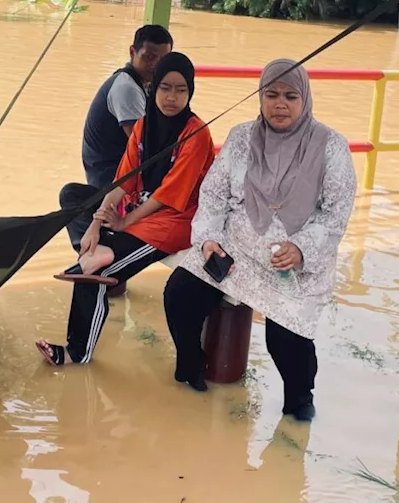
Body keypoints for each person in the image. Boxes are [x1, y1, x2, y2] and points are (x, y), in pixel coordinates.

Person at [163, 59, 356, 420]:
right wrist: (208, 240)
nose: (279, 104)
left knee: (286, 339)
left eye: (290, 96)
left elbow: (336, 213)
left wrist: (301, 249)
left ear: (305, 99)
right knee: (181, 291)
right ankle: (191, 365)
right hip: (235, 252)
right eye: (271, 95)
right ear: (260, 97)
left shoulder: (331, 147)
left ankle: (299, 403)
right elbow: (214, 196)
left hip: (293, 265)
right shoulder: (241, 138)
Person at [37, 52, 213, 366]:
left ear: (191, 92)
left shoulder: (196, 134)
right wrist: (96, 223)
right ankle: (97, 259)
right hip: (140, 208)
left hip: (174, 220)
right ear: (153, 88)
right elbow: (123, 181)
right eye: (165, 88)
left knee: (93, 270)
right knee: (84, 238)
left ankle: (77, 354)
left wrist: (122, 223)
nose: (172, 97)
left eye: (181, 90)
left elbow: (169, 195)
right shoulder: (144, 126)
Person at [58, 25, 174, 249]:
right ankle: (93, 249)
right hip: (110, 179)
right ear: (132, 52)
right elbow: (144, 148)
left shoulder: (146, 86)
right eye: (148, 57)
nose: (155, 65)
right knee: (71, 195)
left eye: (162, 60)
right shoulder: (127, 88)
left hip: (120, 176)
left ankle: (97, 252)